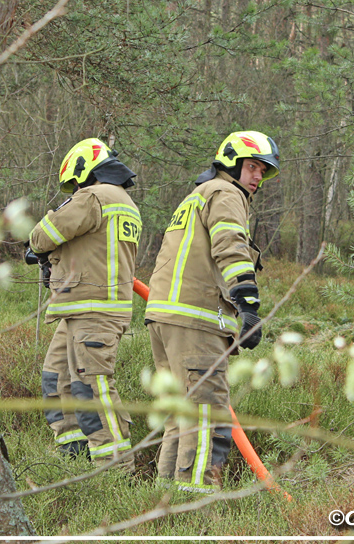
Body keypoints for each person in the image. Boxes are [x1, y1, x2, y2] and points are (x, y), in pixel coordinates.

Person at [144, 130, 280, 493]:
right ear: (231, 164)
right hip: (195, 320)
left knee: (181, 415)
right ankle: (196, 507)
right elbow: (229, 244)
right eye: (252, 167)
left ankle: (167, 501)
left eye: (263, 171)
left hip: (165, 318)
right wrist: (247, 301)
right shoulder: (226, 194)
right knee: (207, 415)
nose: (257, 177)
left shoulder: (198, 195)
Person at [26, 138, 141, 471]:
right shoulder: (123, 201)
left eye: (75, 184)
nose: (74, 190)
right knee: (57, 379)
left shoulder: (93, 196)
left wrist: (39, 248)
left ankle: (115, 470)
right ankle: (74, 454)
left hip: (93, 310)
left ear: (84, 170)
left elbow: (43, 235)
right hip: (81, 309)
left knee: (91, 389)